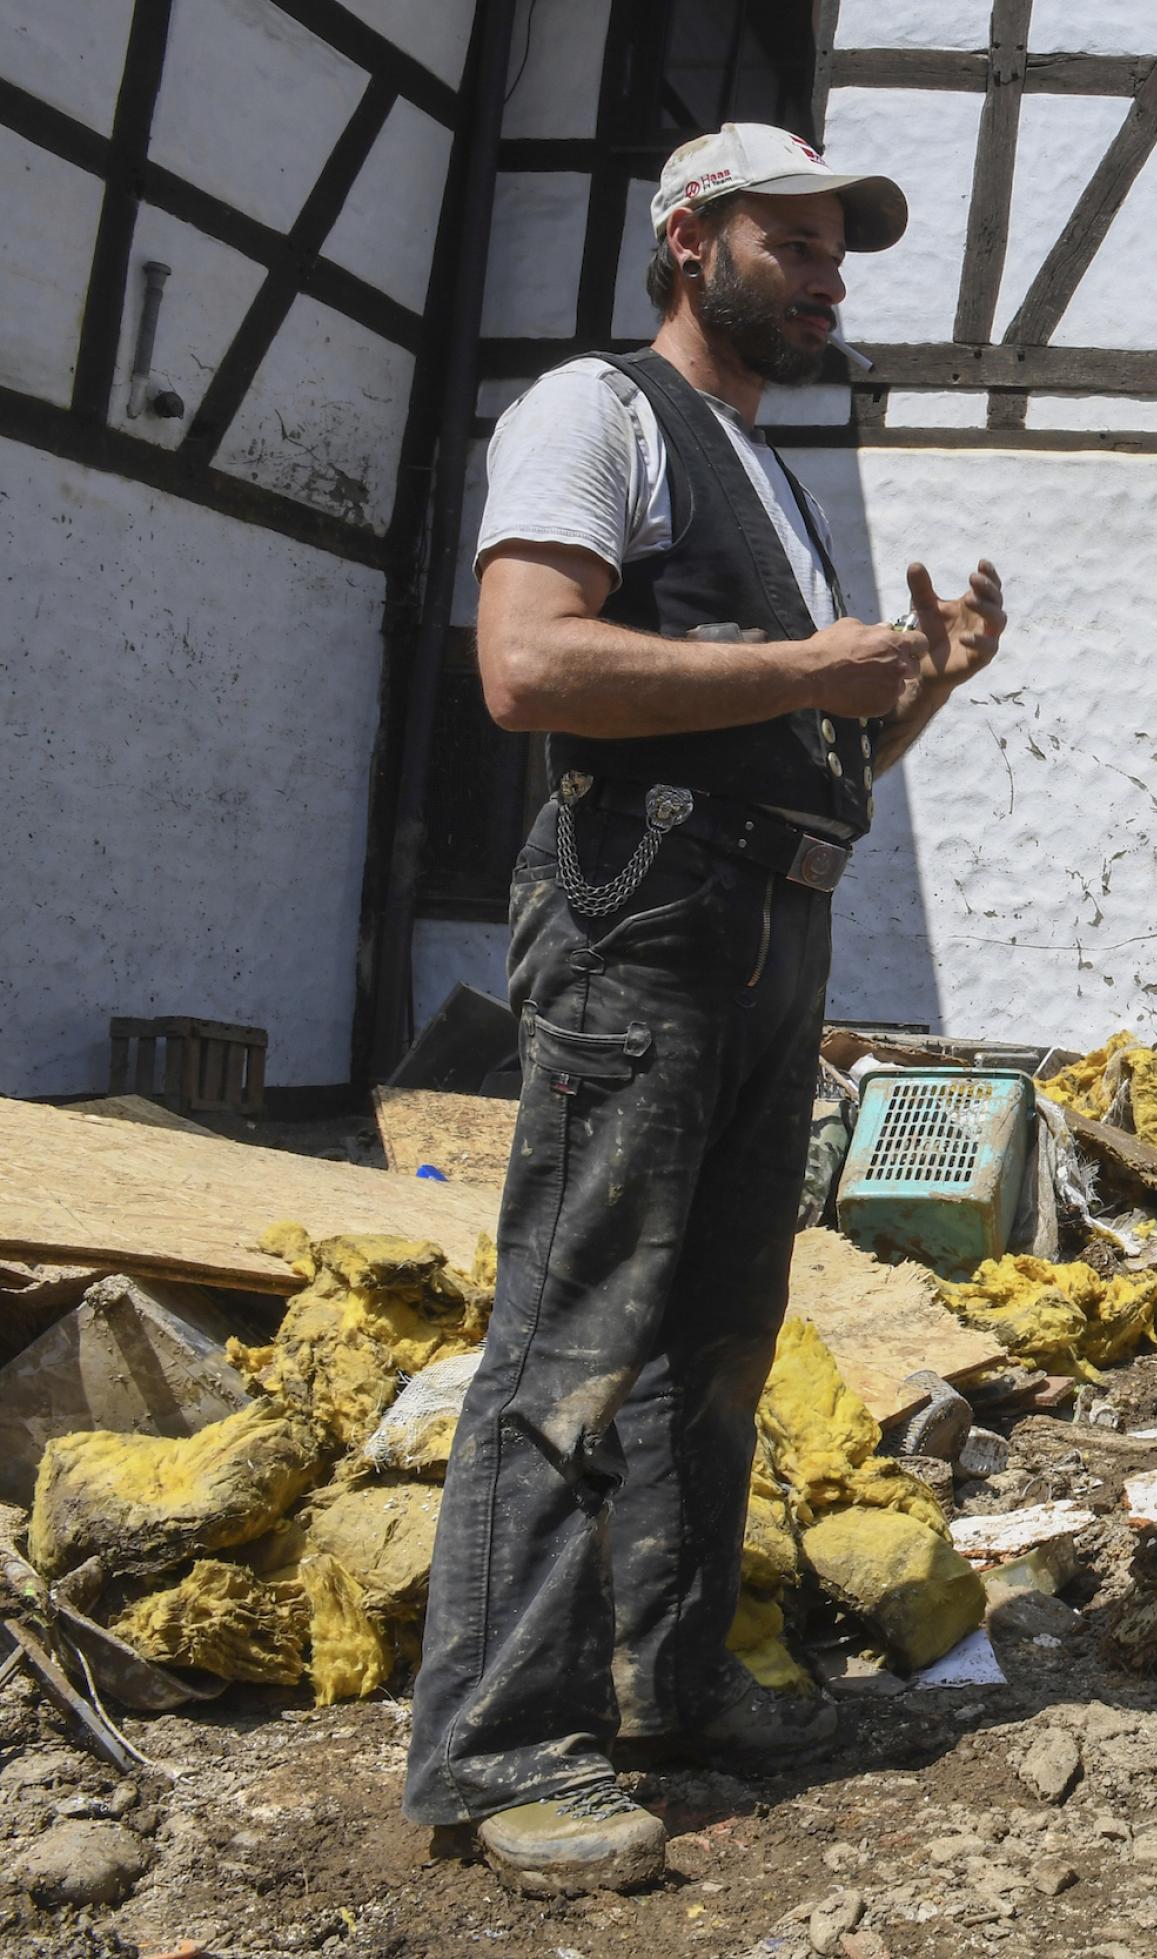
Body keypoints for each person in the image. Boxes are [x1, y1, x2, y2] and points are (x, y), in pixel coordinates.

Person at [406, 125, 1009, 1894]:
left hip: (765, 923)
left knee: (715, 1341)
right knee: (574, 1337)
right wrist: (799, 662)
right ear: (692, 241)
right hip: (643, 920)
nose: (829, 274)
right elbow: (524, 661)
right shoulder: (593, 412)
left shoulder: (757, 458)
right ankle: (501, 1742)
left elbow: (802, 738)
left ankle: (663, 1685)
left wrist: (912, 694)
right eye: (797, 241)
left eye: (840, 248)